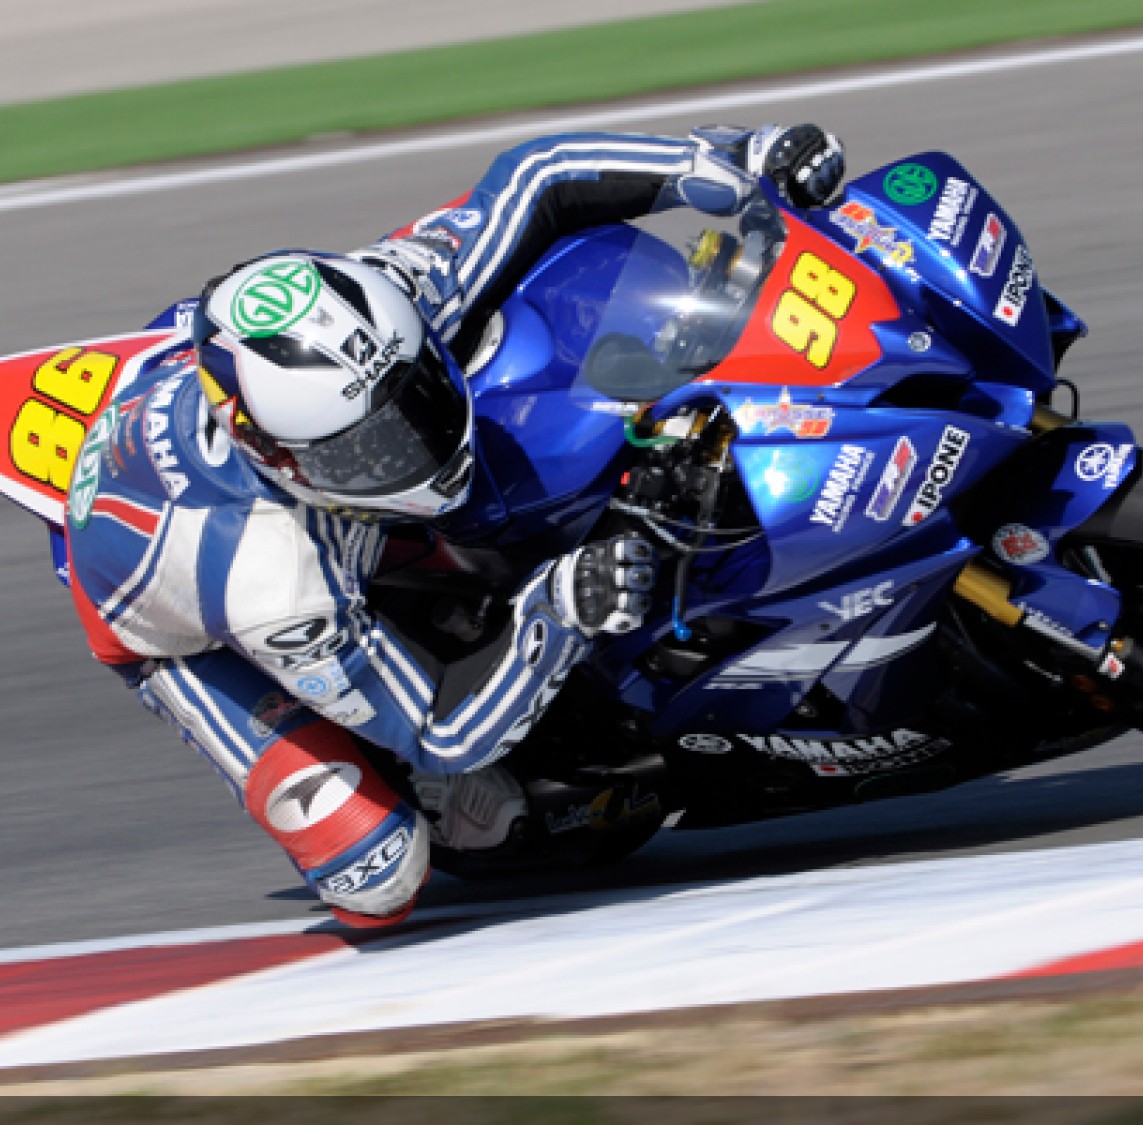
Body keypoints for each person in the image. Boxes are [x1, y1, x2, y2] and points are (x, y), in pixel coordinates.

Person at [63, 124, 847, 927]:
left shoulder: (388, 299)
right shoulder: (273, 583)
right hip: (159, 601)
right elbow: (443, 730)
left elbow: (541, 177)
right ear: (279, 456)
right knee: (378, 872)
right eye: (367, 450)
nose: (416, 447)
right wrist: (559, 607)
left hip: (194, 379)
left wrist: (727, 162)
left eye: (417, 397)